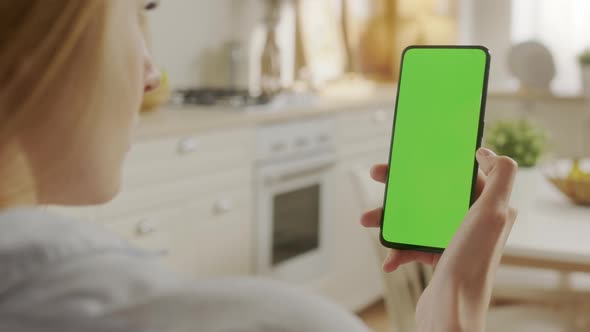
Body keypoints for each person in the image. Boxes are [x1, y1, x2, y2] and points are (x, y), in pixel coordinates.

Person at [0, 1, 518, 331]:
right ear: (38, 38)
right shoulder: (281, 324)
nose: (153, 72)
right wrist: (455, 300)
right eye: (137, 10)